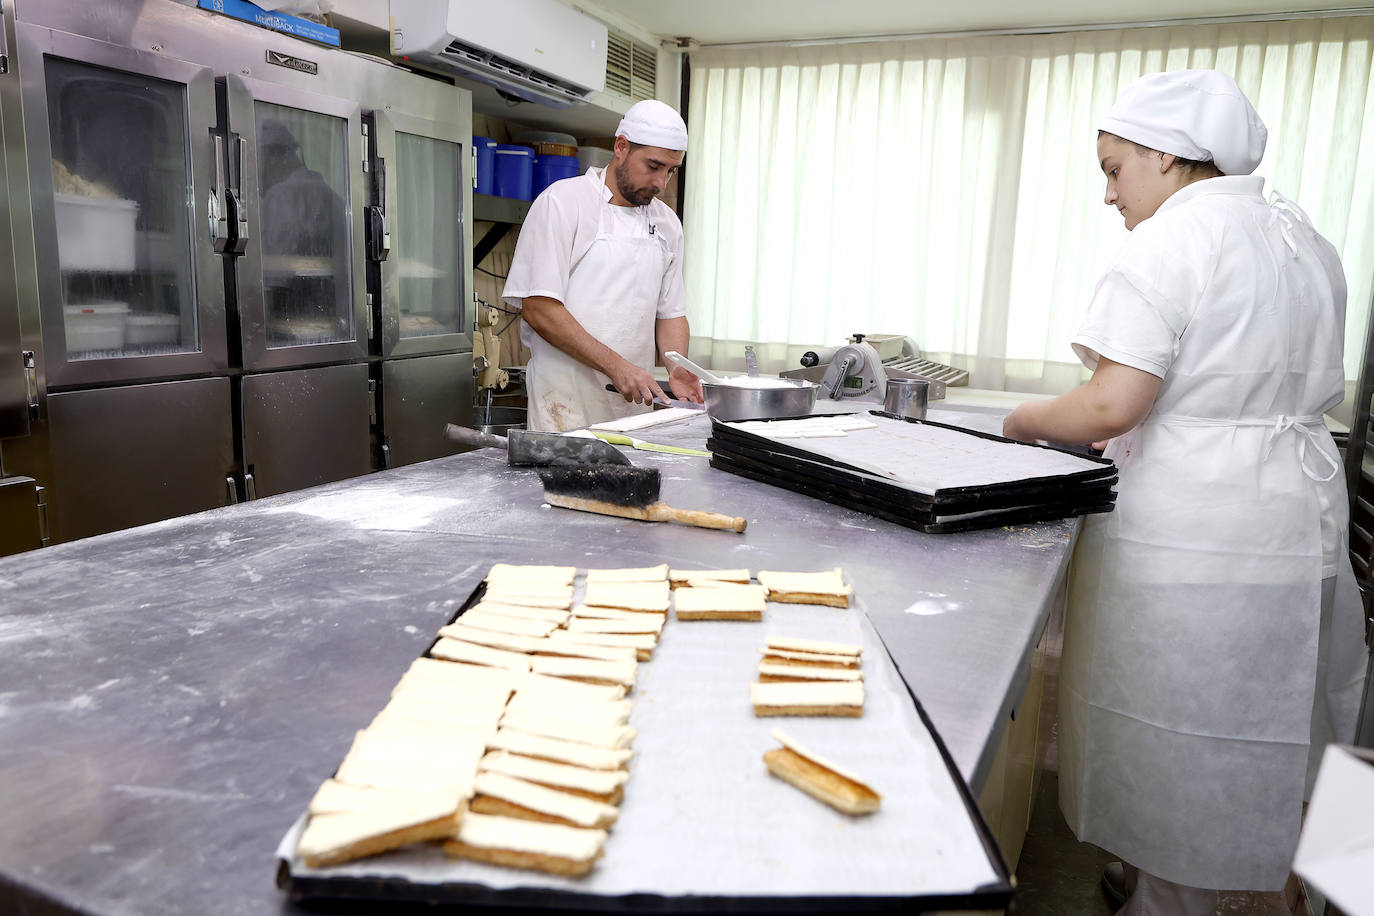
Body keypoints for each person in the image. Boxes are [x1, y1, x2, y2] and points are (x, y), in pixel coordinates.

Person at [1002, 70, 1368, 915]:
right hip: (1297, 511)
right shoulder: (1300, 235)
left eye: (1113, 168)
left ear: (1164, 156)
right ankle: (1287, 892)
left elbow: (1112, 401)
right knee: (1293, 717)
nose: (1108, 193)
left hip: (1198, 524)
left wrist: (1021, 423)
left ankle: (1174, 898)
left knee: (1179, 724)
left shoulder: (1174, 238)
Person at [501, 99, 704, 432]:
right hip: (563, 408)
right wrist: (616, 366)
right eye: (653, 166)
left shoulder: (667, 224)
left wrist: (676, 366)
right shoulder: (563, 203)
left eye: (670, 170)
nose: (661, 183)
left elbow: (670, 314)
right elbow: (538, 307)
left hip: (632, 411)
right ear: (621, 147)